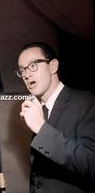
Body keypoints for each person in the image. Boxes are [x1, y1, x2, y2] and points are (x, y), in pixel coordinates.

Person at [16, 42, 95, 193]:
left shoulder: (86, 101)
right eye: (22, 70)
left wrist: (41, 128)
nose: (26, 74)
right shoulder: (40, 111)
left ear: (53, 66)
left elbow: (91, 164)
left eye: (33, 65)